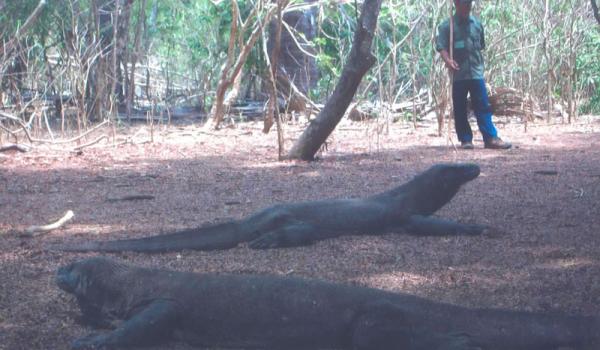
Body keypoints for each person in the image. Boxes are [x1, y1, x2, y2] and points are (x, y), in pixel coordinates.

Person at [436, 0, 511, 150]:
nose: (468, 7)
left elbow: (481, 46)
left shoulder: (477, 24)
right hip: (458, 74)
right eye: (465, 4)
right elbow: (441, 47)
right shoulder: (447, 26)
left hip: (476, 72)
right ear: (457, 4)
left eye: (469, 4)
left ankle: (490, 138)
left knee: (483, 106)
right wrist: (448, 60)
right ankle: (465, 140)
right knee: (460, 107)